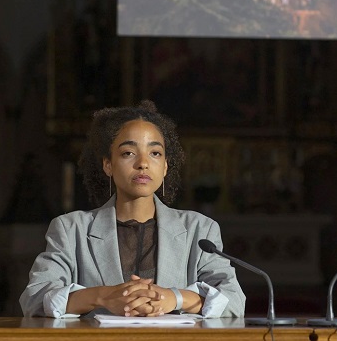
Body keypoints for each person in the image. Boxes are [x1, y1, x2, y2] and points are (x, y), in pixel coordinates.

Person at [20, 100, 245, 318]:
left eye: (155, 153)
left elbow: (234, 301)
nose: (143, 163)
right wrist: (103, 296)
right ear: (108, 164)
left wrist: (174, 298)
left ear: (165, 167)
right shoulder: (71, 229)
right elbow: (34, 299)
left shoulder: (200, 229)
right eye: (128, 153)